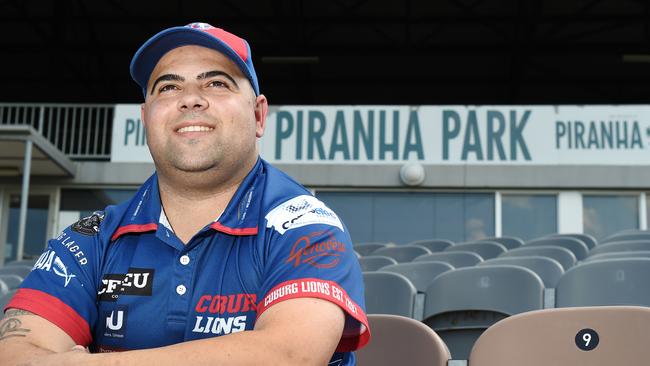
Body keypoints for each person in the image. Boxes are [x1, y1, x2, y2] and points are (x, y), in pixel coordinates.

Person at [0, 22, 370, 366]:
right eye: (169, 87)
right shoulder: (91, 238)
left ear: (258, 116)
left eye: (216, 84)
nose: (190, 100)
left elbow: (289, 355)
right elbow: (15, 353)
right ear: (146, 118)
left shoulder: (305, 224)